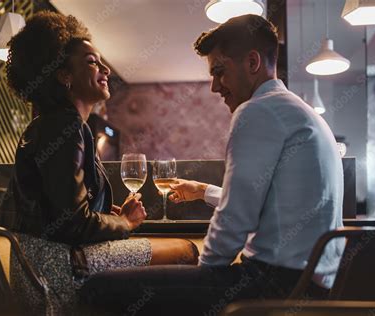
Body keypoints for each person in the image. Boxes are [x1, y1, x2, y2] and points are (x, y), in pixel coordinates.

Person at [81, 14, 344, 315]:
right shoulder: (302, 114)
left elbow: (236, 218)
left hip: (271, 283)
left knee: (98, 287)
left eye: (220, 72)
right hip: (309, 285)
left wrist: (202, 274)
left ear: (253, 62)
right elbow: (264, 203)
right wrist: (204, 191)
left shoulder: (256, 111)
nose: (214, 87)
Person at [0, 11, 198, 314]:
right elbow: (72, 223)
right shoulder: (66, 127)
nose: (105, 68)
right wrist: (126, 222)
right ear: (64, 75)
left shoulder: (51, 125)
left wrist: (105, 212)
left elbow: (59, 209)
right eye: (92, 62)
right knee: (186, 250)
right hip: (55, 270)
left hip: (34, 264)